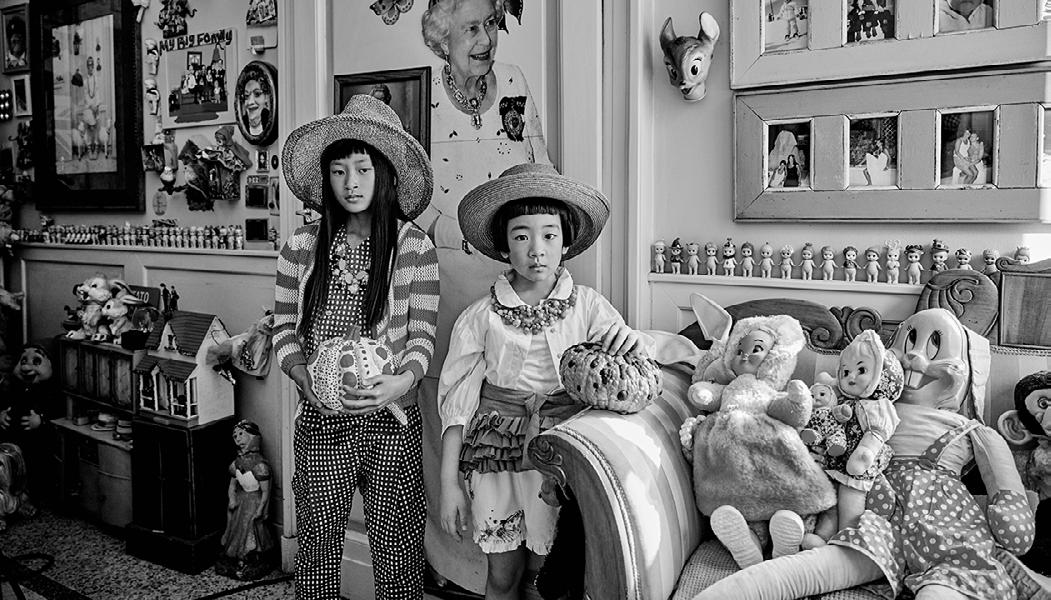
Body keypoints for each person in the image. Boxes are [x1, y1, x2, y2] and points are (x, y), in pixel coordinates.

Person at [438, 163, 651, 600]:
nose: (537, 250)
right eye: (521, 237)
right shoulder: (480, 317)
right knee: (502, 576)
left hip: (562, 456)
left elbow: (632, 371)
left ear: (566, 242)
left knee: (551, 578)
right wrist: (447, 486)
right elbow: (456, 405)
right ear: (504, 246)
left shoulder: (589, 307)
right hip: (496, 460)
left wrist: (634, 342)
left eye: (549, 235)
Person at [273, 94, 439, 599]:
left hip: (392, 424)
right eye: (339, 171)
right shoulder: (301, 247)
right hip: (321, 423)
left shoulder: (414, 248)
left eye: (363, 169)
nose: (351, 183)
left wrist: (400, 382)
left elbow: (422, 337)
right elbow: (284, 329)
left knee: (398, 553)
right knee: (318, 550)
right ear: (326, 178)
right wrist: (303, 376)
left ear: (384, 173)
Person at [419, 0, 551, 589]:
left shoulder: (514, 83)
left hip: (516, 276)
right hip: (449, 283)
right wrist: (464, 233)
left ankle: (513, 567)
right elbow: (409, 195)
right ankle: (456, 568)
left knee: (515, 421)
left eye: (491, 24)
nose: (486, 39)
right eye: (471, 28)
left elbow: (537, 161)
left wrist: (551, 230)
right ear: (441, 38)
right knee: (451, 418)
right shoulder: (422, 96)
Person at [217, 420, 276, 581]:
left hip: (254, 501)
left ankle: (253, 557)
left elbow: (266, 491)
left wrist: (261, 509)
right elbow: (232, 486)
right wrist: (232, 499)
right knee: (236, 529)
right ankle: (236, 557)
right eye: (235, 435)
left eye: (241, 434)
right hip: (241, 501)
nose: (237, 438)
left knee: (252, 528)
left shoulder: (260, 466)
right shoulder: (236, 464)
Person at [238, 63, 273, 138]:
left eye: (257, 94)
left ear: (266, 97)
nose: (250, 102)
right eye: (246, 96)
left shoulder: (270, 121)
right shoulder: (243, 124)